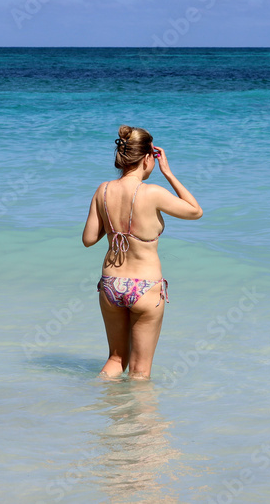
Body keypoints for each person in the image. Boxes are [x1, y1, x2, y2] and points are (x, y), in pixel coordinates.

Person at [81, 125, 203, 379]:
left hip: (111, 284)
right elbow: (195, 211)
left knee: (116, 359)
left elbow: (89, 239)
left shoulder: (102, 190)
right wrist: (168, 173)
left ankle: (95, 403)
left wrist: (114, 224)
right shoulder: (154, 193)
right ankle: (142, 420)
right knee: (140, 371)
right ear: (148, 158)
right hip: (145, 288)